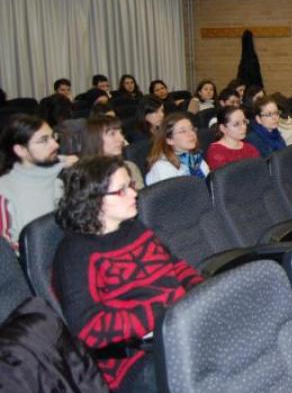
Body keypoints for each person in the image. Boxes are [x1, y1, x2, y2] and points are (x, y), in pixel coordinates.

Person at [52, 156, 203, 392]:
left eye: (131, 185)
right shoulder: (75, 253)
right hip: (137, 357)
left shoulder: (135, 228)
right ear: (94, 200)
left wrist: (201, 292)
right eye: (122, 190)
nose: (134, 194)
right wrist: (161, 314)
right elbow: (88, 328)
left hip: (181, 327)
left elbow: (176, 267)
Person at [0, 114, 77, 251]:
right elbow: (6, 253)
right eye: (44, 140)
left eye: (53, 137)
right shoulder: (5, 192)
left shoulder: (61, 179)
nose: (55, 144)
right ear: (21, 150)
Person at [81, 115, 144, 190]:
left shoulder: (130, 168)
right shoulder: (83, 179)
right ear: (95, 140)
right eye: (112, 134)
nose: (121, 139)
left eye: (121, 133)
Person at [145, 112, 209, 185]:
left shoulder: (195, 158)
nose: (191, 134)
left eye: (192, 129)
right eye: (183, 131)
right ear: (169, 140)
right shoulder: (162, 167)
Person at [204, 105, 260, 171]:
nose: (244, 127)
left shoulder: (250, 148)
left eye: (244, 122)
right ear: (223, 128)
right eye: (236, 124)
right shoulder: (216, 151)